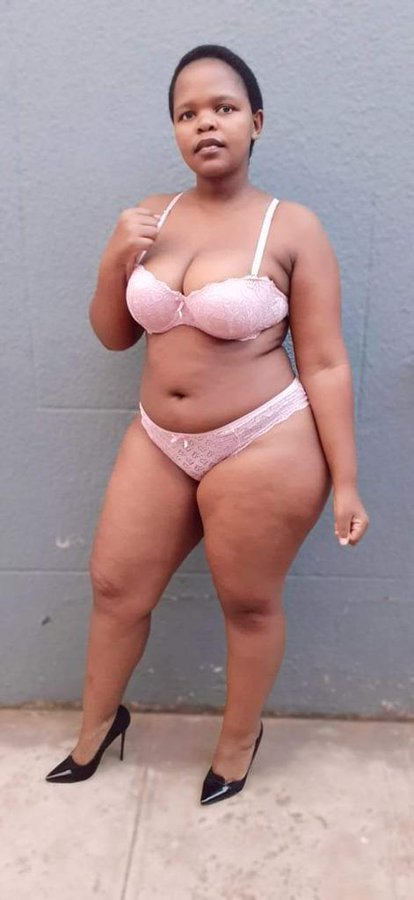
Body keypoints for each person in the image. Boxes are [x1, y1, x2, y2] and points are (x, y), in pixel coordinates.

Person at [45, 44, 369, 803]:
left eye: (223, 108)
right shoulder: (151, 217)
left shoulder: (293, 228)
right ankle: (98, 726)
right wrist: (113, 261)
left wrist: (347, 481)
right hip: (159, 439)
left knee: (247, 603)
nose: (205, 124)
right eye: (187, 113)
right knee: (115, 585)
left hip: (264, 439)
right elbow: (115, 337)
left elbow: (325, 362)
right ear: (175, 131)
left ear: (256, 122)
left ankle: (237, 742)